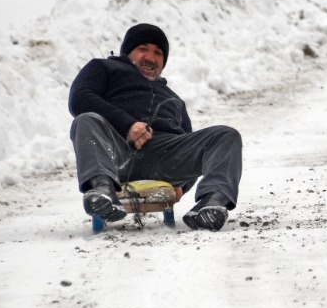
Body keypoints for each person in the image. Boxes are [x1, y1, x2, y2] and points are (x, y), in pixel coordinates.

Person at [68, 23, 243, 231]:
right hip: (115, 153)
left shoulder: (174, 99)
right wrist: (127, 125)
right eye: (143, 49)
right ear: (127, 53)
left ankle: (212, 204)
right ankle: (102, 191)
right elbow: (80, 99)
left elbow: (190, 144)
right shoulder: (104, 68)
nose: (150, 58)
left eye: (158, 53)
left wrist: (183, 186)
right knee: (85, 120)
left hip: (164, 158)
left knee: (225, 135)